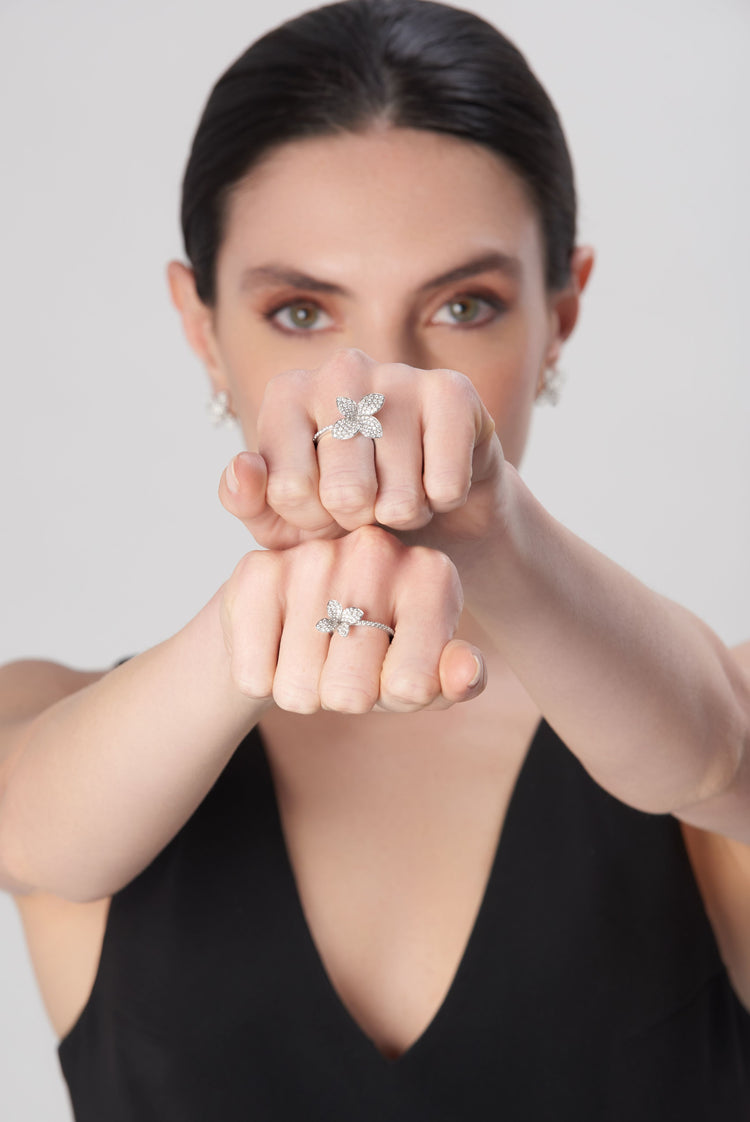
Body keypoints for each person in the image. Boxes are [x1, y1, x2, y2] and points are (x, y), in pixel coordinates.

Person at [1, 0, 749, 1117]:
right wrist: (257, 618)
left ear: (563, 309)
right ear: (202, 326)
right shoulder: (58, 727)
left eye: (463, 305)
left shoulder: (692, 709)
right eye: (302, 311)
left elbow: (719, 759)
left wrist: (491, 518)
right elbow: (32, 828)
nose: (377, 385)